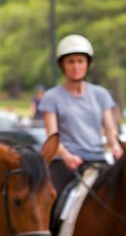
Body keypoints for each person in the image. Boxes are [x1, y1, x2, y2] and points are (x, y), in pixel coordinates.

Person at [39, 34, 122, 196]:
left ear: (87, 64)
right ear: (62, 65)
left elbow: (110, 131)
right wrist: (67, 157)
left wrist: (116, 147)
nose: (76, 66)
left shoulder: (101, 94)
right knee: (50, 202)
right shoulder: (51, 97)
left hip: (97, 160)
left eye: (80, 61)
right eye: (71, 61)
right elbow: (52, 137)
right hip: (65, 163)